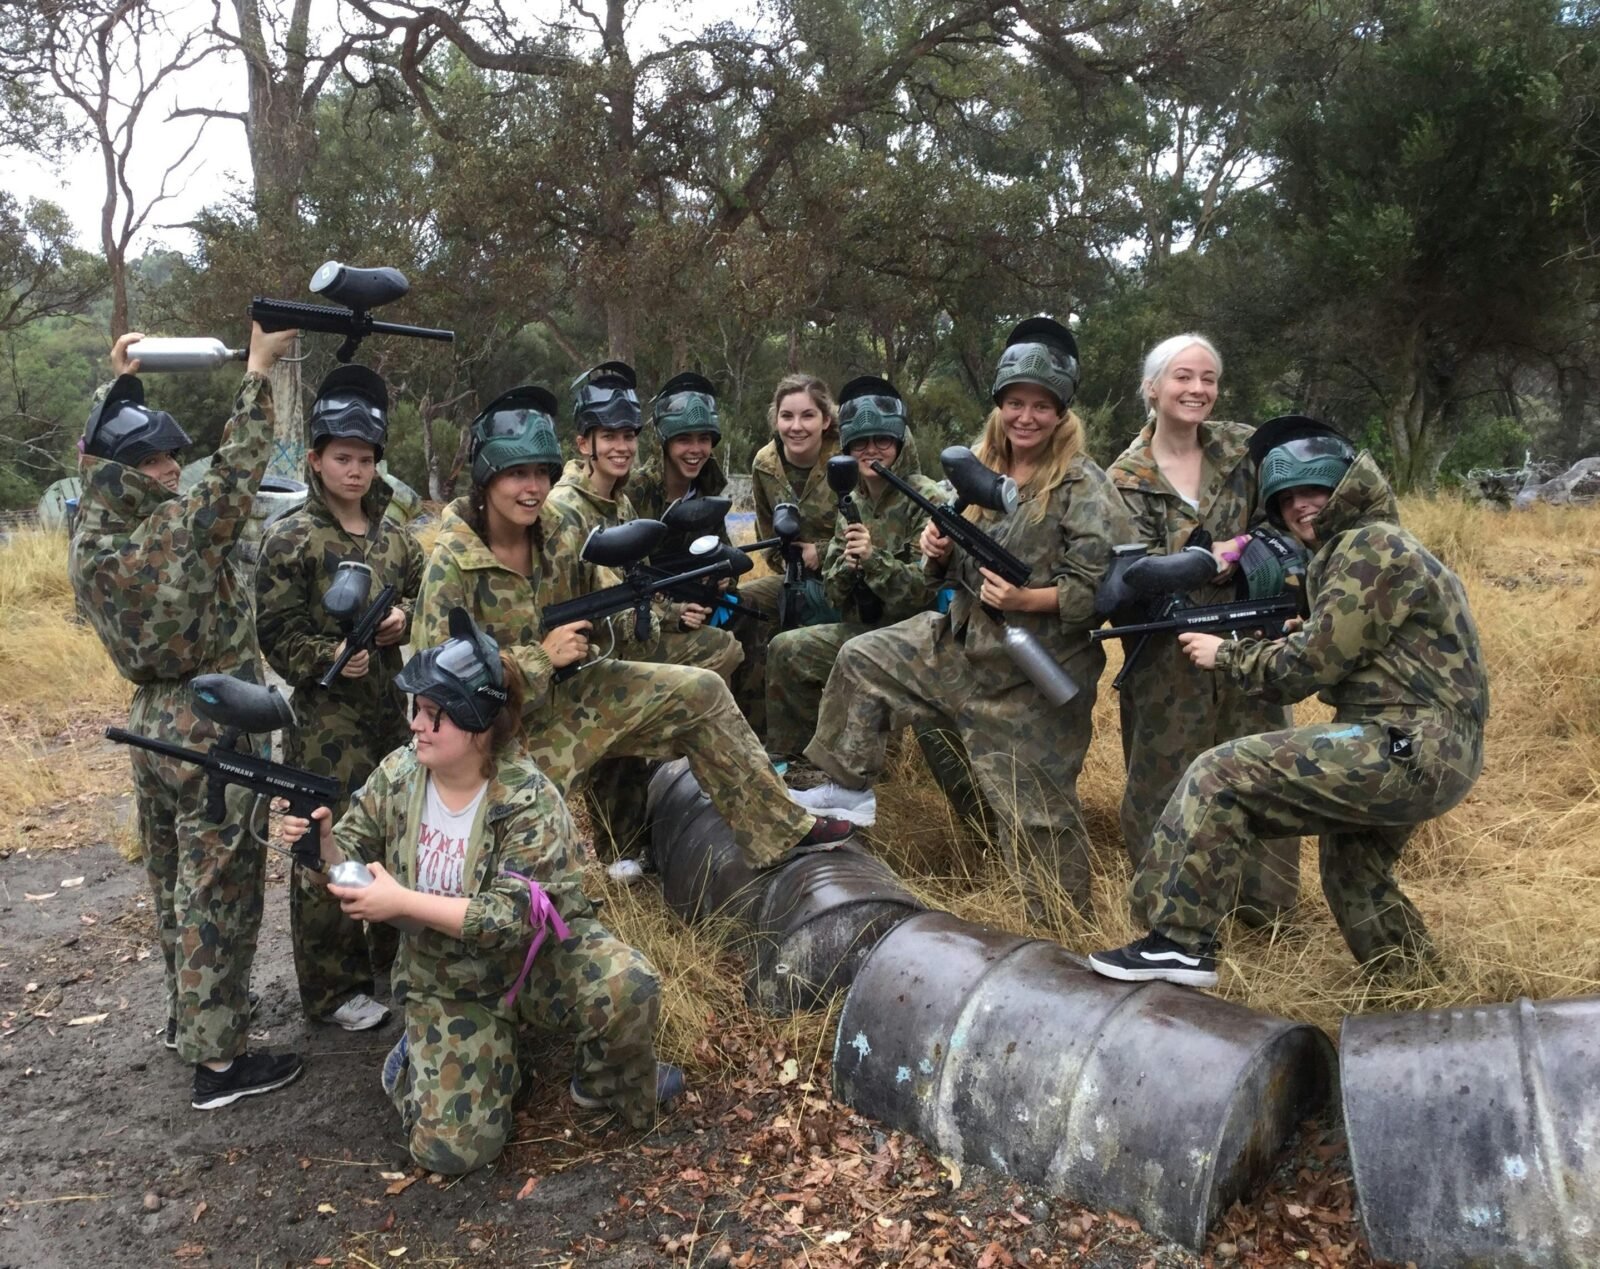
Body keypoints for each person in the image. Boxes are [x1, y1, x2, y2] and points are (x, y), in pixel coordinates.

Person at [1089, 417, 1488, 988]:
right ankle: (1417, 988)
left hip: (1407, 745)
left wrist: (1227, 655)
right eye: (1288, 498)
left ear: (1346, 486)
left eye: (1316, 491)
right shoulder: (1372, 547)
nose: (1303, 507)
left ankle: (1175, 942)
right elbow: (1348, 646)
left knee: (1219, 773)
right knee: (1353, 872)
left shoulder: (1367, 545)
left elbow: (1307, 669)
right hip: (1432, 748)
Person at [280, 611, 682, 1174]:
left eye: (433, 715)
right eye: (415, 710)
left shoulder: (527, 797)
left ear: (477, 724)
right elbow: (349, 866)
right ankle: (421, 1063)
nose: (416, 725)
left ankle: (598, 1083)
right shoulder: (400, 775)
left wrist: (400, 903)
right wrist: (323, 850)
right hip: (445, 979)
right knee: (453, 1153)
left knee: (628, 986)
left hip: (535, 961)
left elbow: (511, 920)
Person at [415, 385, 854, 870]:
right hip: (497, 738)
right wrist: (538, 658)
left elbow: (610, 600)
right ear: (486, 478)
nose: (532, 488)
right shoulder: (453, 561)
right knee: (512, 858)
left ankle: (780, 828)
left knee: (703, 690)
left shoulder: (559, 532)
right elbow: (433, 692)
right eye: (517, 474)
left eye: (541, 473)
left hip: (575, 695)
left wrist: (653, 607)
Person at [792, 319, 1125, 913]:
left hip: (1034, 675)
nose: (1026, 417)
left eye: (1041, 406)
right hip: (961, 645)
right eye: (1015, 403)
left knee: (1039, 823)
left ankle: (1064, 936)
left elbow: (1098, 592)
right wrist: (935, 552)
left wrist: (1026, 600)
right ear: (999, 406)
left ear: (1061, 413)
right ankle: (848, 789)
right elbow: (939, 570)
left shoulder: (1083, 486)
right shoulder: (975, 469)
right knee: (862, 657)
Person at [72, 324, 306, 1109]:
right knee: (221, 886)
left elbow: (95, 455)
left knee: (173, 880)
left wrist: (121, 383)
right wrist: (258, 371)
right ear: (126, 474)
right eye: (154, 462)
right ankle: (219, 1064)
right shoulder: (169, 532)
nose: (171, 469)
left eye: (171, 457)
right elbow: (235, 479)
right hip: (212, 718)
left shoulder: (94, 531)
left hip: (151, 721)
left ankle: (190, 1021)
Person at [1106, 335, 1301, 924]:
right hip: (1167, 656)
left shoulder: (1245, 451)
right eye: (1183, 377)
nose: (1197, 390)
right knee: (1162, 779)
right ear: (1152, 388)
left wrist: (1261, 560)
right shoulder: (1124, 476)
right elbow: (1129, 574)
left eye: (1209, 379)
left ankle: (1266, 910)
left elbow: (1291, 520)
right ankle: (1164, 910)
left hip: (1251, 643)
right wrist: (1204, 558)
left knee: (1262, 766)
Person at [256, 364, 421, 1033]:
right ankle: (332, 990)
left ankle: (392, 949)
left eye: (365, 459)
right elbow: (276, 634)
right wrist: (331, 656)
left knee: (392, 828)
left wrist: (402, 618)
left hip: (393, 711)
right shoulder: (291, 536)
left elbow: (417, 592)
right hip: (325, 722)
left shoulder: (395, 533)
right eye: (342, 458)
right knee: (320, 840)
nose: (355, 470)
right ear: (317, 460)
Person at [764, 377, 945, 766]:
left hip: (917, 637)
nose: (872, 451)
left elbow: (924, 591)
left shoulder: (926, 498)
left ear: (899, 442)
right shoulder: (851, 503)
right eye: (860, 444)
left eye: (882, 441)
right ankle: (791, 763)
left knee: (854, 654)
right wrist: (846, 567)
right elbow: (833, 592)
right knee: (786, 648)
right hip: (863, 628)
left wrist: (873, 560)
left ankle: (853, 763)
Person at [547, 362, 741, 681]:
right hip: (590, 656)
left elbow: (641, 584)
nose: (622, 448)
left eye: (628, 436)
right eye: (609, 437)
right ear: (584, 444)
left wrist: (675, 611)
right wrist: (668, 614)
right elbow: (597, 600)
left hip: (624, 637)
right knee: (719, 655)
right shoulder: (564, 509)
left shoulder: (620, 503)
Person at [736, 375, 845, 731]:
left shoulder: (847, 457)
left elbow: (873, 529)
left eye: (807, 416)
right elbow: (766, 534)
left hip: (848, 578)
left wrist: (824, 552)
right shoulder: (764, 463)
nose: (796, 427)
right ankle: (754, 729)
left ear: (826, 420)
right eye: (787, 416)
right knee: (741, 604)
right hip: (793, 577)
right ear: (776, 420)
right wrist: (792, 565)